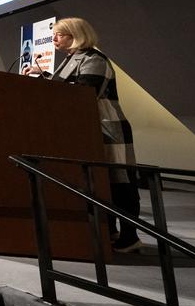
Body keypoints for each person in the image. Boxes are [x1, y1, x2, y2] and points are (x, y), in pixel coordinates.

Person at [31, 17, 142, 253]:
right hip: (87, 128)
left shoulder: (94, 59)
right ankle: (109, 230)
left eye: (59, 35)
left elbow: (83, 94)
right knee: (100, 181)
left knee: (119, 182)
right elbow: (62, 87)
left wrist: (47, 83)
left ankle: (130, 236)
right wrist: (41, 78)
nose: (54, 39)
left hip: (108, 129)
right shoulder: (72, 58)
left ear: (76, 36)